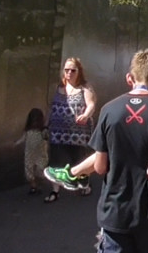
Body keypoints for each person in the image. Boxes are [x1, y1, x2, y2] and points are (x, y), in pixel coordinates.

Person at [46, 49, 148, 253]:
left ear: (130, 78)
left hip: (115, 213)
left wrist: (77, 171)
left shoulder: (109, 110)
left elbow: (101, 166)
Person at [46, 57, 96, 202]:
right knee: (55, 161)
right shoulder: (58, 87)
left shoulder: (85, 88)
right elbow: (51, 108)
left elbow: (91, 104)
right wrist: (45, 124)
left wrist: (86, 115)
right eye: (66, 70)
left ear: (79, 71)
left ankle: (84, 185)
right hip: (57, 132)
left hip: (78, 133)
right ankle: (55, 191)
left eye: (72, 70)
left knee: (79, 160)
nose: (69, 73)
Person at [20, 108, 50, 196]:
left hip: (41, 154)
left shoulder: (43, 131)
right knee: (29, 170)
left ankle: (38, 185)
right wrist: (15, 143)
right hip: (29, 154)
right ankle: (33, 186)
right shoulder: (28, 131)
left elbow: (47, 138)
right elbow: (22, 138)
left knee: (40, 170)